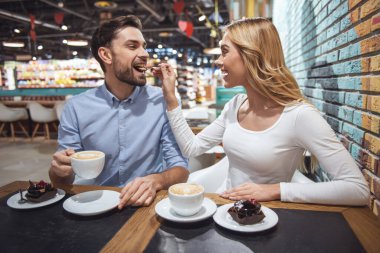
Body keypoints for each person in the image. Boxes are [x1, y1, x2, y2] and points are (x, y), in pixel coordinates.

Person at [155, 17, 369, 206]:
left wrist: (276, 190)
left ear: (251, 55)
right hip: (225, 210)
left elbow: (357, 189)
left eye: (224, 51)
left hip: (269, 219)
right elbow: (192, 148)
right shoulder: (235, 105)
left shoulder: (299, 115)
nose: (218, 61)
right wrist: (171, 98)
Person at [49, 15, 189, 209]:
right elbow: (62, 180)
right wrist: (58, 171)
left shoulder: (162, 100)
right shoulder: (76, 107)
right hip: (95, 202)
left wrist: (157, 180)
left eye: (144, 46)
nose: (144, 53)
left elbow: (181, 168)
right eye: (132, 46)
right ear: (106, 55)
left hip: (146, 204)